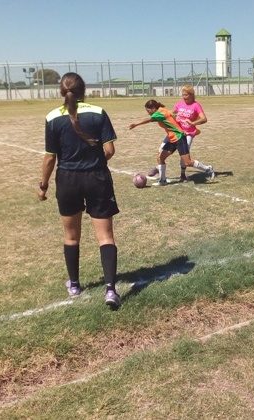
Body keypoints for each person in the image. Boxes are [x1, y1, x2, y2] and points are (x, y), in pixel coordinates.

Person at [38, 72, 122, 309]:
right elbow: (110, 149)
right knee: (105, 236)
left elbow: (49, 158)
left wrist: (42, 186)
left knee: (71, 236)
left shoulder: (53, 117)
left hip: (67, 180)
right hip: (97, 178)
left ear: (61, 92)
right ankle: (110, 290)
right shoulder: (98, 112)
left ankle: (74, 285)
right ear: (84, 90)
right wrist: (95, 162)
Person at [129, 99, 214, 186]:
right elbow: (172, 115)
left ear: (153, 108)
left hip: (179, 138)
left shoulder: (159, 113)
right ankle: (162, 181)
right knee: (160, 158)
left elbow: (148, 120)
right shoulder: (162, 109)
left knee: (187, 162)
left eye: (148, 110)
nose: (148, 113)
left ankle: (208, 168)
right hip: (172, 139)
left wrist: (136, 124)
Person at [147, 85, 209, 182]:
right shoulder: (179, 104)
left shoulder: (196, 105)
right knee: (161, 150)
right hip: (175, 131)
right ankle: (158, 168)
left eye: (185, 95)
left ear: (191, 95)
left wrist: (193, 123)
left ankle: (183, 175)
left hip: (188, 134)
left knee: (184, 156)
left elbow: (204, 119)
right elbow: (171, 113)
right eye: (182, 95)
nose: (183, 97)